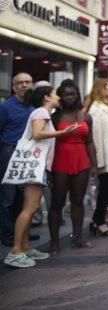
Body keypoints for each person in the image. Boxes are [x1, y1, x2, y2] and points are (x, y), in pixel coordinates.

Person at [4, 85, 73, 268]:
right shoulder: (41, 112)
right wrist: (63, 133)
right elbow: (37, 134)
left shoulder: (41, 112)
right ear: (46, 98)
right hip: (35, 166)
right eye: (54, 95)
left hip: (37, 166)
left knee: (31, 208)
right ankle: (16, 251)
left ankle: (24, 248)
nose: (58, 97)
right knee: (30, 207)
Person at [49, 79, 97, 252]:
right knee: (57, 202)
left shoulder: (85, 116)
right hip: (60, 160)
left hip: (82, 160)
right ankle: (54, 242)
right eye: (66, 94)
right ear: (60, 97)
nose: (69, 97)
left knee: (78, 201)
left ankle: (77, 237)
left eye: (72, 94)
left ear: (77, 95)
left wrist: (94, 166)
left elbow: (90, 142)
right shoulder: (55, 117)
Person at [0, 72, 33, 247]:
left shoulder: (33, 105)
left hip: (28, 154)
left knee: (25, 197)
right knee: (8, 196)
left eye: (27, 82)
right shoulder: (6, 106)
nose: (24, 85)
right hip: (10, 151)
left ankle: (22, 234)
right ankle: (8, 235)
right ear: (14, 87)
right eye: (20, 83)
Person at [84, 78, 108, 237]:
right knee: (105, 189)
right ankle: (99, 221)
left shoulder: (107, 106)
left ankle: (98, 220)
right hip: (105, 157)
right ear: (101, 89)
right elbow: (95, 136)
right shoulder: (96, 109)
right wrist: (98, 161)